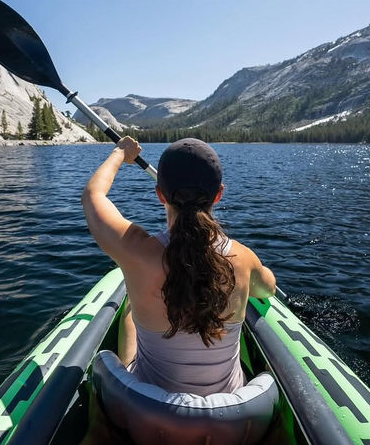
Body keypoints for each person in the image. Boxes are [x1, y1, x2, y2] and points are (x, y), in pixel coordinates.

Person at [82, 136, 276, 395]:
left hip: (149, 409)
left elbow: (93, 195)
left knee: (130, 306)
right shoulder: (244, 259)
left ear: (160, 194)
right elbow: (268, 290)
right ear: (218, 194)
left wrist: (121, 152)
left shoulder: (137, 252)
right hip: (231, 416)